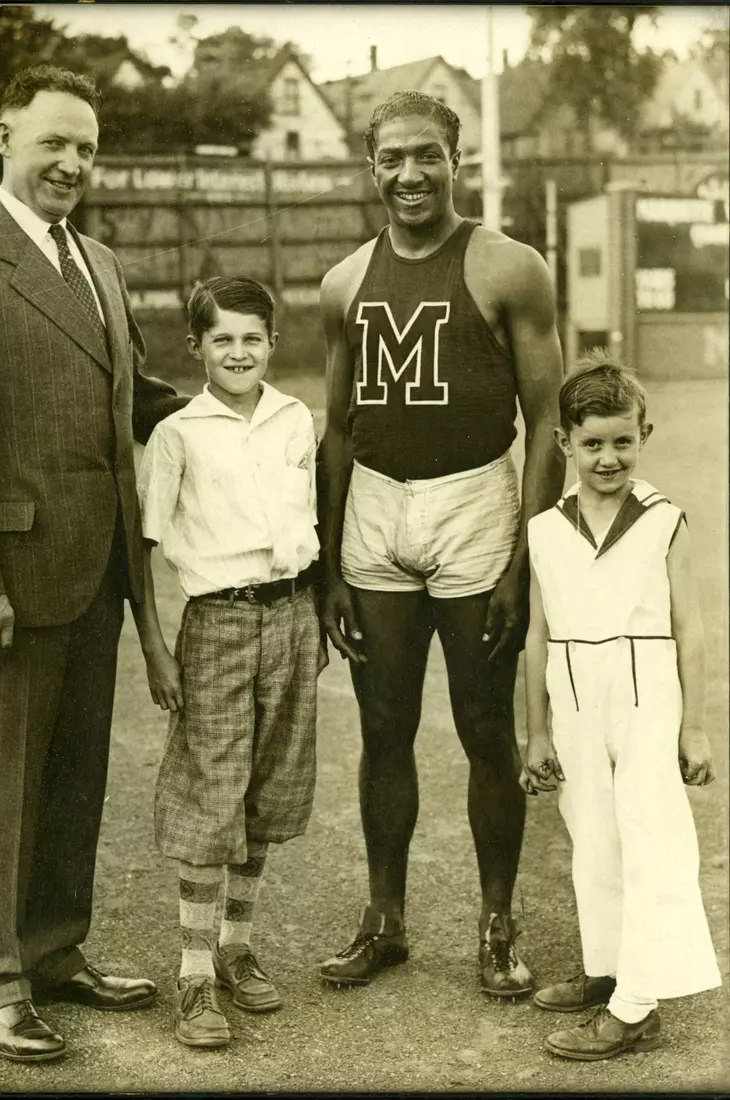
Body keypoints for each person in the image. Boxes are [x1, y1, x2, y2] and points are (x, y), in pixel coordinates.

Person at [0, 65, 188, 1063]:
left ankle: (54, 948)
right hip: (6, 580)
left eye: (88, 148)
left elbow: (126, 393)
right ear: (6, 135)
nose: (73, 162)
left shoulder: (97, 260)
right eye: (54, 141)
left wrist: (245, 414)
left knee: (74, 776)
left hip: (96, 567)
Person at [318, 90, 566, 996]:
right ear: (371, 166)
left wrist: (522, 556)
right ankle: (385, 920)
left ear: (456, 160)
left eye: (428, 156)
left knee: (484, 728)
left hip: (474, 504)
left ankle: (498, 925)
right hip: (377, 513)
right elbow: (339, 425)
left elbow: (547, 420)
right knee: (383, 728)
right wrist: (331, 556)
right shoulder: (344, 281)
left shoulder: (509, 267)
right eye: (392, 158)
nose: (410, 175)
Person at [134, 276, 325, 1049]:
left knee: (269, 791)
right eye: (223, 339)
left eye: (252, 337)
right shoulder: (180, 432)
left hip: (293, 617)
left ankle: (237, 947)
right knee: (209, 794)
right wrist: (154, 644)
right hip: (215, 622)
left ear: (273, 342)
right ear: (198, 348)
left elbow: (313, 521)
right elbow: (142, 547)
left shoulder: (295, 421)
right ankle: (193, 975)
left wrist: (317, 618)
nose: (239, 351)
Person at [520, 351, 720, 1060]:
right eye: (593, 443)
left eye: (623, 441)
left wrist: (693, 725)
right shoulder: (545, 528)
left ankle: (638, 1005)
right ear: (563, 443)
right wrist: (536, 732)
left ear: (645, 433)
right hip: (575, 694)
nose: (609, 457)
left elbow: (690, 627)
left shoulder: (665, 520)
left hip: (644, 691)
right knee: (593, 837)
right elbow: (536, 637)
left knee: (651, 836)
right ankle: (609, 968)